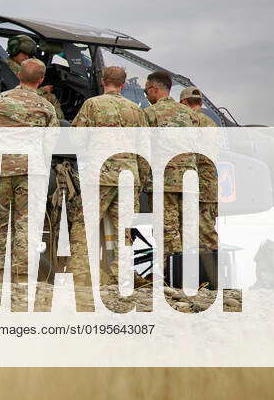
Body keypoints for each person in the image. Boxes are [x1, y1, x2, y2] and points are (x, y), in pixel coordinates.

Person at [0, 58, 58, 283]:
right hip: (32, 171)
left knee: (2, 222)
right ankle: (21, 275)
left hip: (0, 169)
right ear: (41, 80)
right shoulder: (46, 107)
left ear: (19, 76)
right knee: (27, 221)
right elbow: (50, 144)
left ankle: (3, 271)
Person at [71, 66, 149, 285]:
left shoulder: (93, 104)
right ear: (123, 85)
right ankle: (121, 272)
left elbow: (77, 139)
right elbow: (144, 149)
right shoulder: (136, 110)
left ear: (104, 81)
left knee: (84, 222)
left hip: (101, 173)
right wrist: (140, 178)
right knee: (124, 227)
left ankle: (81, 272)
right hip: (128, 175)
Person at [143, 70, 196, 259]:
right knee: (187, 226)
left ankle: (171, 273)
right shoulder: (190, 114)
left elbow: (143, 146)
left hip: (163, 180)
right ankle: (191, 272)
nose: (146, 95)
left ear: (154, 89)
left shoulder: (150, 113)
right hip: (189, 179)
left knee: (166, 227)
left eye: (146, 91)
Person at [180, 86, 219, 251]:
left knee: (189, 236)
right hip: (210, 186)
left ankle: (198, 274)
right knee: (208, 234)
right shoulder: (211, 123)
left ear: (183, 102)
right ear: (201, 103)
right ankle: (212, 273)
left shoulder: (189, 121)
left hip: (195, 185)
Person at [5, 34, 64, 120]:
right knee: (52, 98)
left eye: (29, 55)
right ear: (15, 50)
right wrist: (43, 91)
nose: (27, 57)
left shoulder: (15, 65)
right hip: (18, 101)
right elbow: (20, 91)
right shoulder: (10, 69)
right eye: (24, 53)